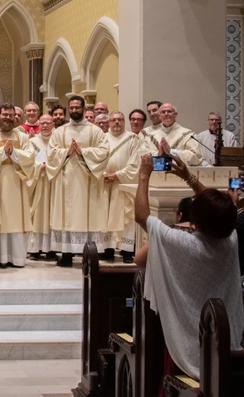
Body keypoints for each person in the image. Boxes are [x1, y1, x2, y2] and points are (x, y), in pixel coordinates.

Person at [134, 154, 244, 380]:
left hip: (191, 345)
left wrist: (144, 176)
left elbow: (141, 215)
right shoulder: (230, 239)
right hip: (227, 341)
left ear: (197, 219)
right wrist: (188, 176)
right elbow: (217, 210)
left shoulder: (184, 243)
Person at [47, 95, 110, 267]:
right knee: (65, 215)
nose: (74, 110)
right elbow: (51, 153)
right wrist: (66, 152)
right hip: (65, 181)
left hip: (87, 182)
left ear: (84, 109)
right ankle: (66, 254)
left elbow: (104, 151)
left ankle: (88, 255)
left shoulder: (95, 131)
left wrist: (83, 152)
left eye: (77, 108)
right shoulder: (60, 131)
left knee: (88, 215)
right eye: (71, 108)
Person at [0, 103, 36, 268]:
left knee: (16, 219)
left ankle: (16, 258)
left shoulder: (22, 136)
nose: (8, 118)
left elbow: (31, 156)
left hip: (16, 184)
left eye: (11, 115)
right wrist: (3, 152)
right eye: (5, 115)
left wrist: (14, 153)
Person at [104, 111, 142, 263]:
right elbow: (95, 159)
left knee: (125, 217)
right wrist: (103, 174)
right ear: (109, 122)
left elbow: (135, 163)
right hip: (105, 184)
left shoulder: (132, 139)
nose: (117, 123)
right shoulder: (103, 138)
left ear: (124, 122)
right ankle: (108, 248)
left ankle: (126, 251)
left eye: (120, 120)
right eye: (113, 120)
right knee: (106, 216)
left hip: (123, 184)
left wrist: (118, 175)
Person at [28, 114, 56, 259]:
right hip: (37, 182)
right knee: (38, 215)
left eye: (48, 123)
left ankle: (51, 249)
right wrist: (39, 166)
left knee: (52, 214)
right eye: (42, 123)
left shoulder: (58, 141)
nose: (45, 126)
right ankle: (35, 248)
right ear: (38, 124)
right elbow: (27, 161)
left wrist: (52, 167)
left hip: (53, 183)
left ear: (53, 124)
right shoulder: (32, 142)